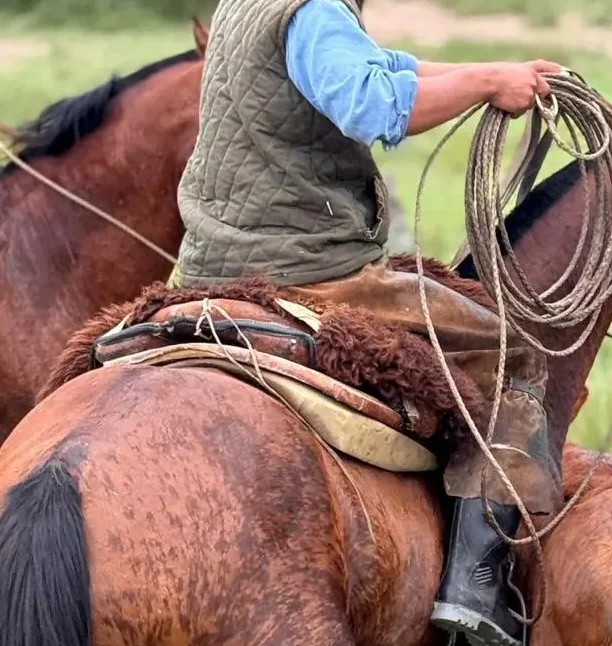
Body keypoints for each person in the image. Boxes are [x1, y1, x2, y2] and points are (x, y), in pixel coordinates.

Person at [171, 1, 563, 644]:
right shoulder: (314, 8)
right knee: (513, 351)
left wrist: (495, 72)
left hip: (211, 263)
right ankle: (476, 586)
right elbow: (373, 104)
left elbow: (384, 67)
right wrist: (491, 85)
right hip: (303, 263)